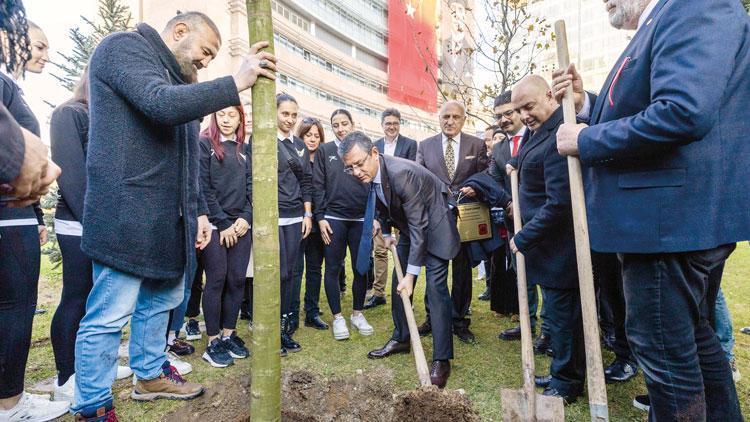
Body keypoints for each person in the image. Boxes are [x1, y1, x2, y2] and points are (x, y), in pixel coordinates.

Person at [72, 12, 276, 420]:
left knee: (160, 302)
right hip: (126, 212)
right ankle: (92, 404)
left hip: (171, 217)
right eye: (205, 52)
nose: (205, 62)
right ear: (179, 31)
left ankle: (148, 375)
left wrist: (199, 211)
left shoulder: (184, 80)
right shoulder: (123, 49)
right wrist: (235, 83)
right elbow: (159, 104)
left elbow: (187, 156)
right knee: (109, 314)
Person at [553, 0, 749, 419]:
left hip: (667, 222)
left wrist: (585, 140)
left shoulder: (695, 7)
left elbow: (682, 112)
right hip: (667, 222)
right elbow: (646, 108)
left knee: (664, 350)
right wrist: (585, 104)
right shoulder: (662, 21)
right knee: (691, 340)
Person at [341, 131, 459, 389]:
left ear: (374, 153)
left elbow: (421, 226)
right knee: (399, 285)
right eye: (350, 168)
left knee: (436, 289)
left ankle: (442, 359)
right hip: (408, 226)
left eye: (359, 164)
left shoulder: (400, 173)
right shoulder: (372, 173)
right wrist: (386, 233)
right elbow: (382, 202)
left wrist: (412, 275)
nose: (357, 171)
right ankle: (402, 337)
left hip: (436, 224)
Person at [48, 67, 136, 406]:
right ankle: (67, 376)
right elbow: (72, 179)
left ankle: (99, 365)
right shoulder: (68, 114)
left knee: (102, 303)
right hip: (80, 225)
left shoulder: (110, 121)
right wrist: (101, 224)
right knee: (77, 296)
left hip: (108, 225)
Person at [0, 18, 69, 422]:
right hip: (8, 218)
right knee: (16, 306)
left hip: (19, 214)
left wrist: (35, 213)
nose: (45, 54)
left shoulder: (10, 86)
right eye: (38, 45)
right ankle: (10, 402)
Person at [507, 75, 585, 404]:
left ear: (550, 96)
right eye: (519, 110)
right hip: (545, 250)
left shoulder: (560, 134)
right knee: (554, 318)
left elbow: (559, 204)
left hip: (559, 249)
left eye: (529, 106)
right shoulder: (538, 130)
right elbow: (526, 155)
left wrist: (524, 237)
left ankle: (567, 383)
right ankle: (559, 371)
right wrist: (514, 163)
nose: (524, 115)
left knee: (565, 320)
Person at [417, 100, 488, 344]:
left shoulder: (476, 145)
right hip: (435, 219)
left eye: (455, 117)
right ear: (439, 118)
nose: (450, 121)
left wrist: (475, 188)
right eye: (445, 116)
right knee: (435, 271)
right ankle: (432, 317)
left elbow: (484, 175)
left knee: (462, 272)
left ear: (463, 119)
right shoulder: (425, 146)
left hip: (464, 220)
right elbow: (419, 179)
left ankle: (459, 321)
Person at [489, 91, 549, 352]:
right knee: (521, 273)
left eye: (508, 113)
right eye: (498, 116)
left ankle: (549, 331)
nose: (504, 120)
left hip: (542, 220)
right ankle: (527, 323)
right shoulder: (499, 148)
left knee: (547, 275)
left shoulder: (537, 135)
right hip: (515, 221)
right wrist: (507, 202)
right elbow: (494, 181)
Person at [198, 105, 252, 368]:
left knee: (237, 279)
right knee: (217, 279)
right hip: (215, 225)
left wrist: (245, 218)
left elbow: (254, 185)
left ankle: (229, 333)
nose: (227, 120)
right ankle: (212, 340)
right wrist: (223, 223)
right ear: (214, 117)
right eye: (222, 115)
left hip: (241, 225)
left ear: (240, 117)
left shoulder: (245, 147)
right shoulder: (204, 143)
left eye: (233, 115)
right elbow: (204, 187)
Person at [313, 109, 373, 341]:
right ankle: (338, 317)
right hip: (334, 219)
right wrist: (320, 218)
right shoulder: (325, 151)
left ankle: (357, 313)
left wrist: (374, 216)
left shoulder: (364, 148)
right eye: (335, 125)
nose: (340, 128)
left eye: (344, 123)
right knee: (333, 268)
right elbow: (317, 185)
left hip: (360, 219)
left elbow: (375, 182)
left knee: (361, 268)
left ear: (352, 124)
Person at [366, 107, 417, 310]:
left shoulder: (410, 145)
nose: (392, 127)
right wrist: (378, 216)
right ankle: (378, 292)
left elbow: (412, 172)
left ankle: (407, 292)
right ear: (382, 125)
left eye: (395, 123)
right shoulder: (375, 146)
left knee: (405, 252)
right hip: (383, 209)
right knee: (380, 250)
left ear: (399, 124)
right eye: (388, 123)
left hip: (404, 208)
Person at [273, 93, 313, 354]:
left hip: (296, 217)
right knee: (276, 273)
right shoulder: (263, 140)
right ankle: (271, 328)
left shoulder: (300, 145)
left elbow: (306, 181)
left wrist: (307, 214)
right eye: (285, 113)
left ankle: (286, 327)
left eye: (293, 115)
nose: (289, 119)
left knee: (290, 272)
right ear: (275, 112)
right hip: (272, 217)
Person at [296, 116, 329, 330]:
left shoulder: (324, 158)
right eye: (309, 135)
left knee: (315, 267)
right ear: (302, 135)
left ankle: (311, 311)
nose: (313, 139)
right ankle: (289, 308)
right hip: (296, 219)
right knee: (295, 268)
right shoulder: (294, 155)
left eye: (316, 136)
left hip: (318, 221)